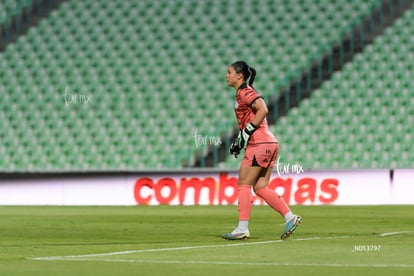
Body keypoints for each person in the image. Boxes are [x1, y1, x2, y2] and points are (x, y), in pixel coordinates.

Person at [222, 61, 301, 240]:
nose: (226, 75)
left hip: (259, 143)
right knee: (260, 187)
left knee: (243, 184)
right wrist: (240, 140)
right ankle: (290, 217)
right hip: (269, 143)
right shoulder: (242, 93)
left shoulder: (245, 92)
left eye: (229, 72)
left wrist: (247, 133)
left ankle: (242, 228)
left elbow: (263, 109)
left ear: (239, 76)